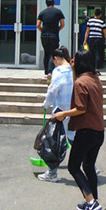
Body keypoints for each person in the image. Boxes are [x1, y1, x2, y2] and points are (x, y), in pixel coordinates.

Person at [54, 49, 104, 210]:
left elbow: (81, 108)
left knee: (73, 167)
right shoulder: (94, 79)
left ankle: (91, 202)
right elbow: (79, 85)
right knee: (88, 166)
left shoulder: (81, 82)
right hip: (98, 131)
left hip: (86, 131)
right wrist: (74, 70)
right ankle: (93, 201)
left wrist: (64, 114)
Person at [38, 46, 75, 183]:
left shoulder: (58, 71)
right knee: (74, 139)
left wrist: (46, 104)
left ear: (56, 58)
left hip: (60, 111)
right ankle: (90, 166)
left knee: (54, 142)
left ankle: (52, 172)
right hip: (73, 110)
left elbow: (53, 90)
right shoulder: (73, 70)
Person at [36, 0, 65, 76]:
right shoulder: (58, 12)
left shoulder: (42, 13)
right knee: (53, 53)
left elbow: (38, 25)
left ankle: (46, 71)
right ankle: (50, 71)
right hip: (54, 36)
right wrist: (57, 30)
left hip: (44, 36)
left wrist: (43, 31)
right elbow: (62, 24)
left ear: (46, 4)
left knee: (46, 53)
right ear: (54, 3)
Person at [84, 8, 106, 75]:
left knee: (91, 54)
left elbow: (87, 31)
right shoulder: (101, 22)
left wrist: (85, 40)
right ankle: (97, 69)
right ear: (100, 15)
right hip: (98, 39)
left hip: (91, 39)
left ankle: (91, 69)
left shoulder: (90, 21)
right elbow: (105, 32)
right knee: (98, 54)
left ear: (94, 13)